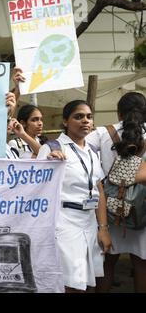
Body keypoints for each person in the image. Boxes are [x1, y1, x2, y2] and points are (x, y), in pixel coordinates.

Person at [37, 100, 112, 292]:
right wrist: (49, 162)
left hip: (89, 222)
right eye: (78, 116)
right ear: (65, 121)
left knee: (87, 282)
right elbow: (37, 187)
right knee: (71, 284)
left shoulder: (92, 151)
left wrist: (103, 228)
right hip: (64, 223)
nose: (85, 121)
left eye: (88, 116)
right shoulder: (53, 148)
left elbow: (99, 190)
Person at [86, 92, 146, 292]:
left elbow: (74, 146)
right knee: (141, 264)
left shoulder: (102, 133)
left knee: (107, 261)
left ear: (119, 113)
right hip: (141, 210)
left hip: (108, 209)